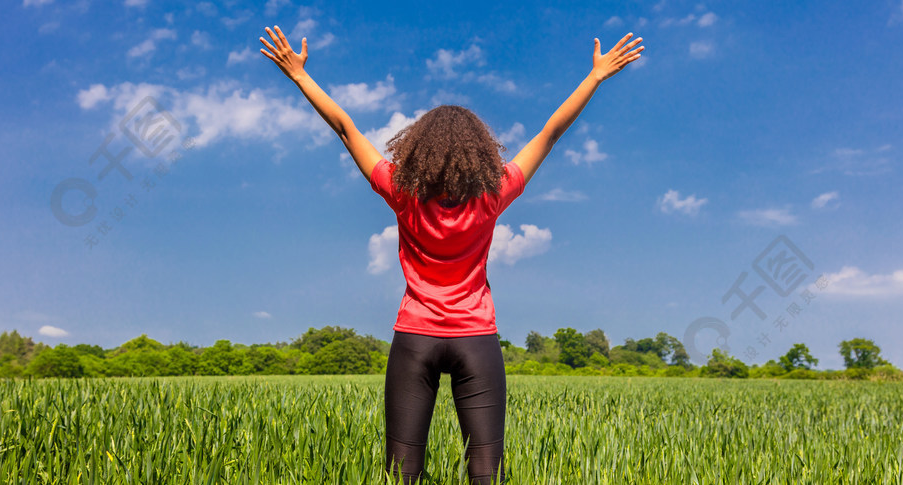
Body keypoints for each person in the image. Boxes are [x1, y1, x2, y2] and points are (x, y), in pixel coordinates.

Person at [259, 25, 643, 485]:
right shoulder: (494, 193)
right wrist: (595, 76)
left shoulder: (401, 192)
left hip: (414, 337)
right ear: (479, 152)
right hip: (476, 338)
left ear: (419, 150)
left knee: (401, 474)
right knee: (485, 474)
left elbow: (345, 128)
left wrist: (300, 76)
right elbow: (551, 132)